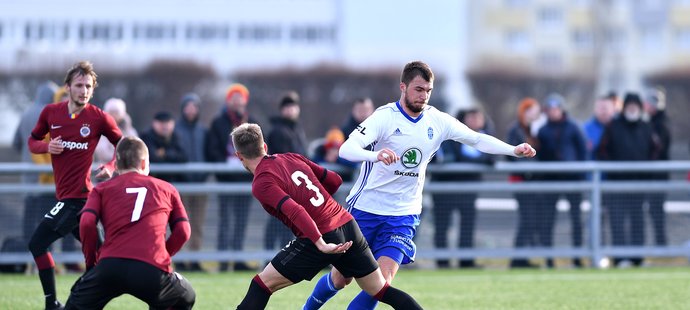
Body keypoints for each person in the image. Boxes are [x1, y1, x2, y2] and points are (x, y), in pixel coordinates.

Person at [304, 61, 536, 309]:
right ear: (403, 87)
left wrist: (513, 150)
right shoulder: (384, 117)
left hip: (403, 215)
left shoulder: (437, 121)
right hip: (365, 210)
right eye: (418, 89)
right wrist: (375, 154)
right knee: (341, 278)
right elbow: (346, 149)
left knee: (380, 284)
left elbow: (476, 139)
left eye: (428, 90)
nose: (423, 95)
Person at [230, 123, 423, 310]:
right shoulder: (291, 157)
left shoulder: (261, 182)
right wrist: (321, 206)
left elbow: (295, 210)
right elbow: (334, 180)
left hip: (320, 236)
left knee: (261, 285)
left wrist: (320, 243)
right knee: (381, 290)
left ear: (239, 156)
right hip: (347, 224)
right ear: (264, 146)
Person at [26, 61, 123, 310]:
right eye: (79, 85)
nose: (83, 90)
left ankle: (53, 303)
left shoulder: (98, 117)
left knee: (37, 243)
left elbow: (124, 146)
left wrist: (111, 167)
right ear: (68, 87)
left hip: (78, 199)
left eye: (88, 86)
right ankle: (92, 297)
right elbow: (32, 140)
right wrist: (47, 146)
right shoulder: (51, 113)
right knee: (100, 258)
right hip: (67, 200)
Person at [64, 137, 195, 309]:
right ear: (143, 163)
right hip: (150, 269)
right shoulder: (167, 188)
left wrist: (91, 264)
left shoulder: (101, 189)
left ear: (116, 165)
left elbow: (87, 222)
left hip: (109, 266)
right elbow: (184, 231)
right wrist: (161, 256)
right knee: (185, 296)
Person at [597, 93, 660, 267]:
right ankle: (620, 258)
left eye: (635, 106)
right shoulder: (613, 126)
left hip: (639, 184)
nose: (632, 109)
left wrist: (647, 170)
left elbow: (656, 149)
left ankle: (637, 257)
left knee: (637, 220)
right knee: (617, 221)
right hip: (616, 184)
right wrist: (613, 169)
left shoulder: (647, 126)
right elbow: (602, 150)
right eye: (629, 106)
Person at [431, 108, 494, 269]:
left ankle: (466, 261)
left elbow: (490, 158)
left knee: (467, 225)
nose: (475, 120)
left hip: (468, 190)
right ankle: (442, 261)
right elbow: (454, 159)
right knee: (442, 225)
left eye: (477, 117)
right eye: (471, 117)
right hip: (445, 190)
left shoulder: (485, 138)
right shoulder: (453, 137)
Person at [205, 83, 256, 271]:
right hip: (226, 180)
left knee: (242, 221)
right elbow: (212, 149)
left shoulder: (253, 121)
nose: (237, 101)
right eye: (234, 97)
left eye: (240, 97)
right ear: (229, 100)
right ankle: (224, 260)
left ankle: (238, 258)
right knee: (225, 220)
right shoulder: (219, 123)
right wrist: (225, 164)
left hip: (246, 179)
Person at [535, 93, 587, 268]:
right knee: (548, 220)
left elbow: (583, 152)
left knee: (576, 220)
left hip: (573, 179)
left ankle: (577, 258)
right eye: (549, 109)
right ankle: (549, 259)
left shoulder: (574, 127)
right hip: (551, 180)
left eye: (555, 108)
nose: (553, 112)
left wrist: (582, 175)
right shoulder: (542, 131)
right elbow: (540, 156)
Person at [264, 91, 308, 252]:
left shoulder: (297, 130)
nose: (291, 110)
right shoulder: (277, 131)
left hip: (295, 184)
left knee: (289, 223)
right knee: (277, 223)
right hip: (282, 184)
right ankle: (268, 256)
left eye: (293, 106)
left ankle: (282, 256)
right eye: (287, 107)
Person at [174, 92, 209, 271]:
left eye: (194, 107)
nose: (190, 110)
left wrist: (204, 175)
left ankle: (195, 258)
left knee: (198, 223)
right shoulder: (175, 130)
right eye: (188, 106)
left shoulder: (203, 131)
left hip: (200, 183)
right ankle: (180, 258)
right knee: (181, 222)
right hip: (182, 184)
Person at [506, 98, 542, 268]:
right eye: (531, 111)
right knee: (527, 219)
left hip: (530, 181)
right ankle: (518, 258)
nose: (534, 115)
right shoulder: (516, 129)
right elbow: (510, 153)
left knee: (530, 219)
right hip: (520, 180)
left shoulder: (533, 129)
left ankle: (522, 257)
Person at [644, 88, 670, 246]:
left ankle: (661, 245)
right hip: (655, 175)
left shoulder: (660, 125)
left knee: (656, 212)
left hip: (657, 176)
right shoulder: (655, 123)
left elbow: (658, 150)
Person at [140, 111, 188, 183]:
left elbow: (184, 157)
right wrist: (172, 156)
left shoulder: (176, 137)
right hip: (153, 180)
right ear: (154, 123)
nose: (165, 126)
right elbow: (153, 157)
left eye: (168, 123)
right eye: (161, 123)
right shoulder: (146, 137)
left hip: (174, 181)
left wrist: (165, 153)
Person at [93, 98, 138, 165]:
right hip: (105, 168)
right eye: (111, 112)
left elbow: (135, 149)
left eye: (116, 112)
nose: (114, 115)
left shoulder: (130, 131)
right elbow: (101, 151)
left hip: (127, 167)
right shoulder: (101, 130)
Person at [583, 96, 617, 160]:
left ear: (613, 109)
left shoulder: (620, 129)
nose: (604, 111)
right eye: (600, 108)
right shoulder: (585, 130)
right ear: (595, 109)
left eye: (606, 108)